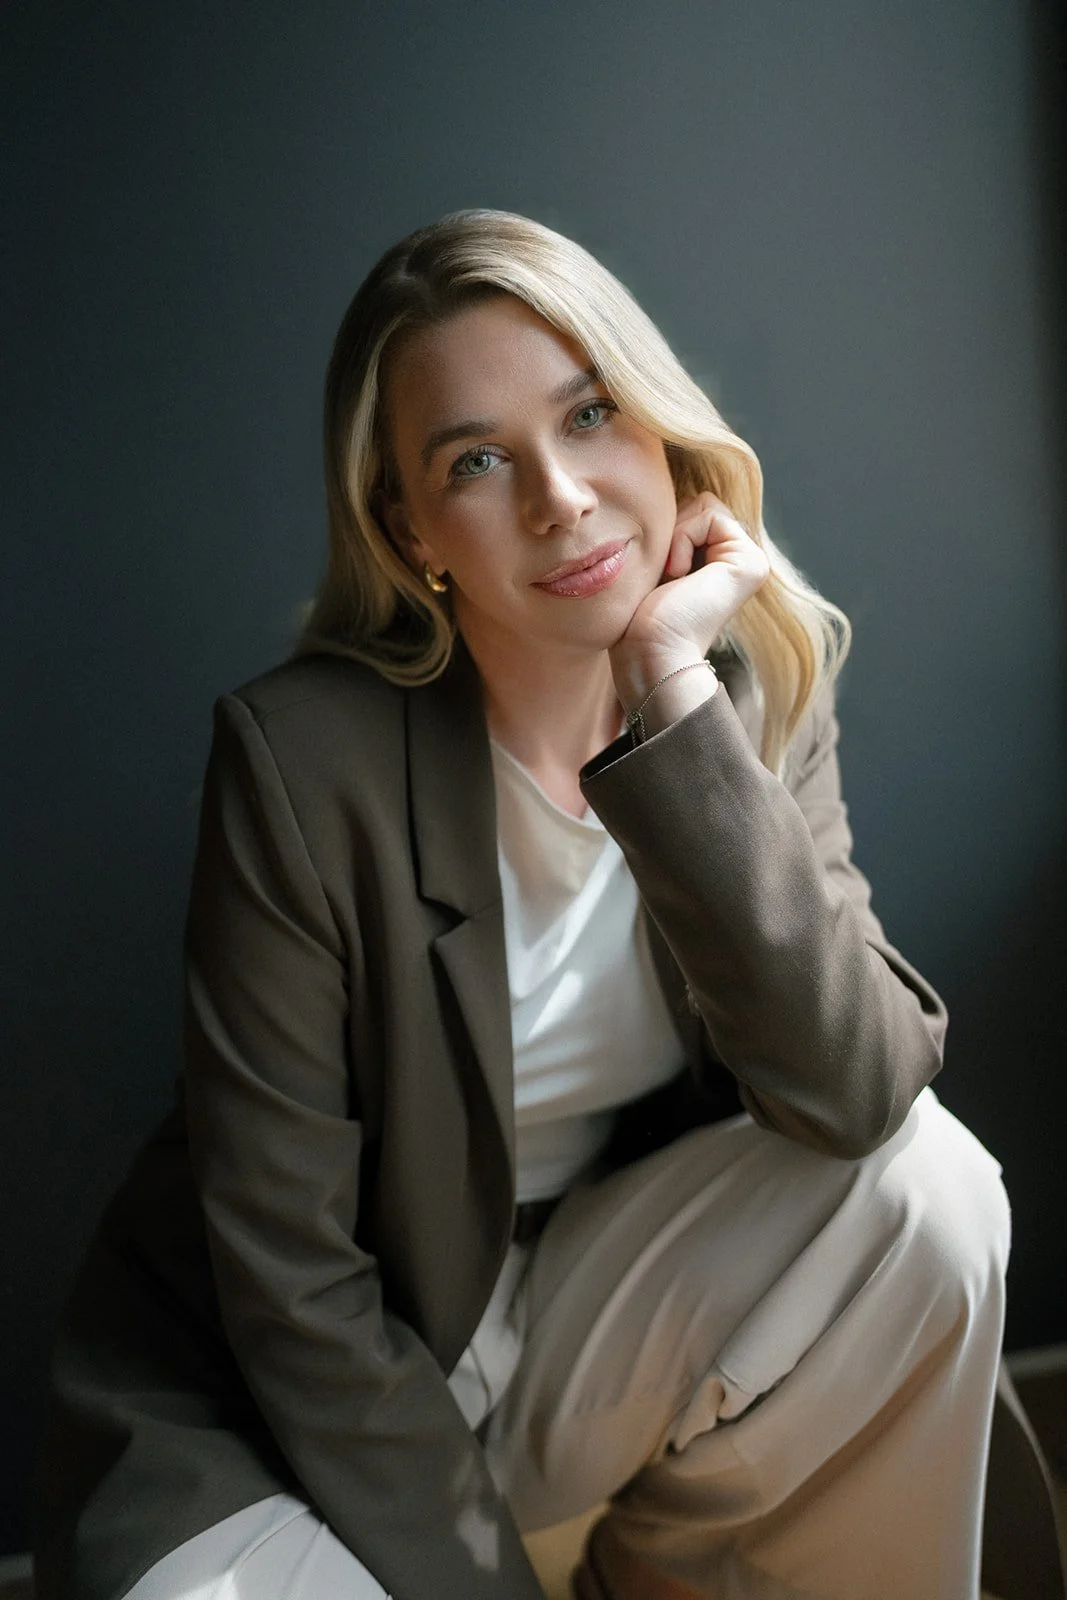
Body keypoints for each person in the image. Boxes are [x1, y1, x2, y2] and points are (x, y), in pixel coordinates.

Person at [34, 208, 1011, 1600]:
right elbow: (295, 1289)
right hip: (282, 1404)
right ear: (408, 524)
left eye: (592, 413)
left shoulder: (744, 692)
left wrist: (672, 706)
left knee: (932, 1189)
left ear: (660, 430)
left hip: (567, 1334)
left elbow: (852, 1095)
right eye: (477, 460)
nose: (559, 495)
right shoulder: (302, 762)